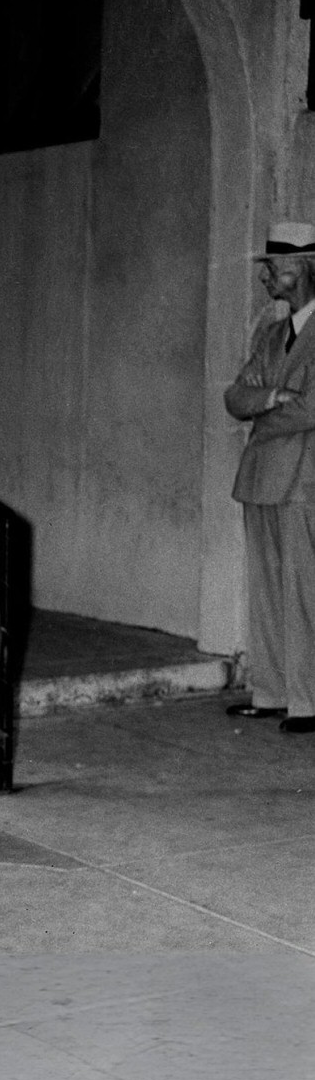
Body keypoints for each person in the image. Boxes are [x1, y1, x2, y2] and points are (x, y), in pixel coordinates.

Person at [225, 220, 315, 734]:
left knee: (304, 593)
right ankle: (273, 692)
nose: (265, 277)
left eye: (273, 267)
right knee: (267, 592)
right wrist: (272, 398)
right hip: (260, 479)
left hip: (303, 482)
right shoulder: (271, 334)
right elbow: (235, 396)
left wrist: (264, 411)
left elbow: (311, 409)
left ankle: (308, 701)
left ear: (301, 267)